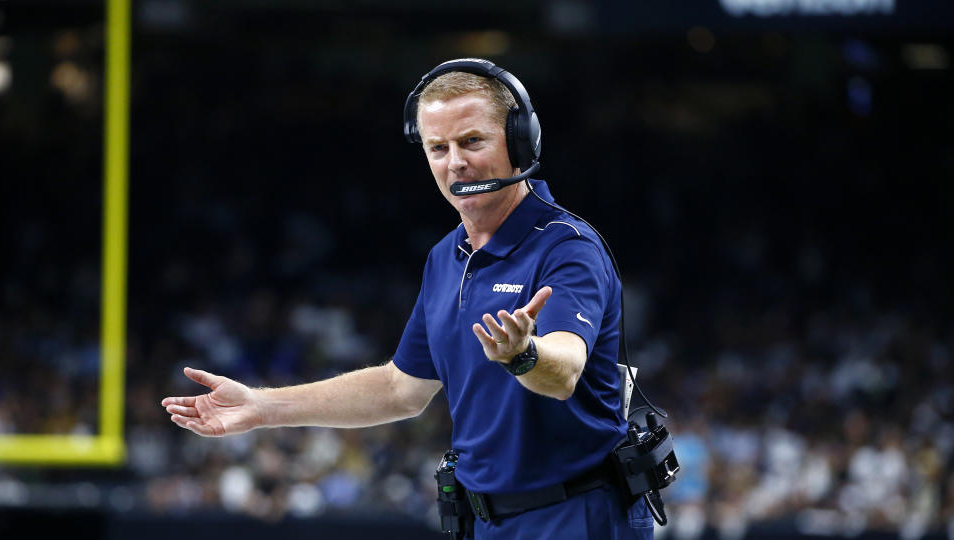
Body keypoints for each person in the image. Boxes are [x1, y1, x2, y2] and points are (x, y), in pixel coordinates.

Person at [162, 59, 654, 539]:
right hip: (485, 522)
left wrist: (524, 354)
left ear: (522, 140)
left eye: (472, 141)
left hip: (576, 517)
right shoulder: (446, 258)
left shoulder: (567, 247)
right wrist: (262, 407)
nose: (455, 162)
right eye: (438, 147)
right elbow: (401, 389)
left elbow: (565, 370)